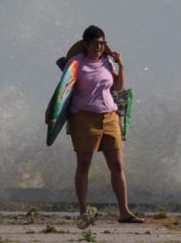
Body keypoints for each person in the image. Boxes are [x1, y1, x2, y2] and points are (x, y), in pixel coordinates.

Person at [45, 25, 143, 227]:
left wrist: (121, 66)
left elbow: (118, 87)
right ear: (86, 44)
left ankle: (124, 211)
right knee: (83, 166)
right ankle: (83, 212)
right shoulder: (76, 63)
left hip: (110, 117)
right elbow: (62, 91)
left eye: (103, 43)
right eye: (96, 43)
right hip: (84, 118)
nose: (100, 47)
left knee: (117, 166)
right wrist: (51, 113)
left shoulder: (107, 62)